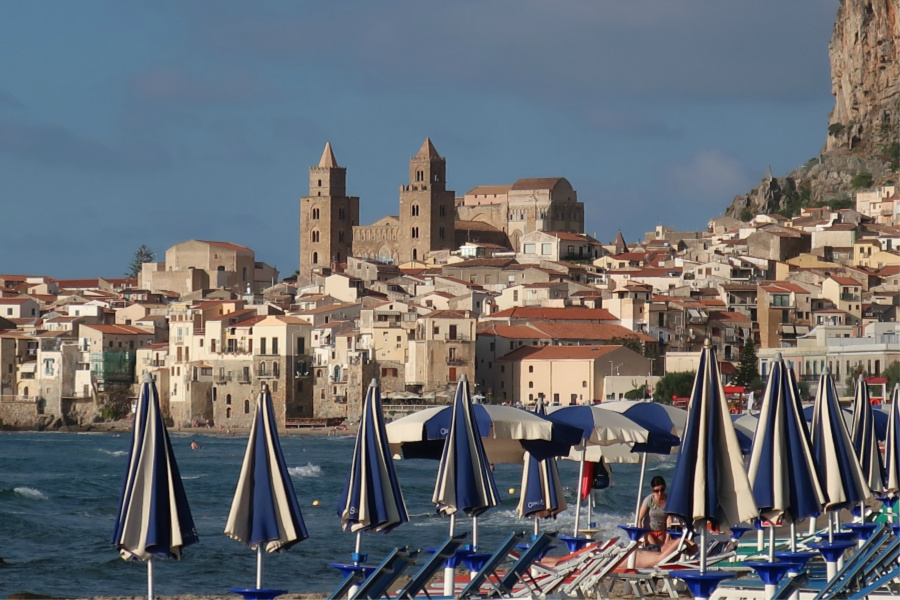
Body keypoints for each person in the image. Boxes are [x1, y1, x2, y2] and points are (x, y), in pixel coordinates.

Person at [638, 476, 671, 547]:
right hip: (648, 531)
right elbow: (639, 519)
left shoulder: (668, 500)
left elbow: (669, 519)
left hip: (661, 531)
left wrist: (668, 537)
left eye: (662, 490)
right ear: (652, 489)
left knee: (661, 550)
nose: (660, 493)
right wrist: (642, 537)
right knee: (655, 548)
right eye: (657, 491)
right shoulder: (649, 500)